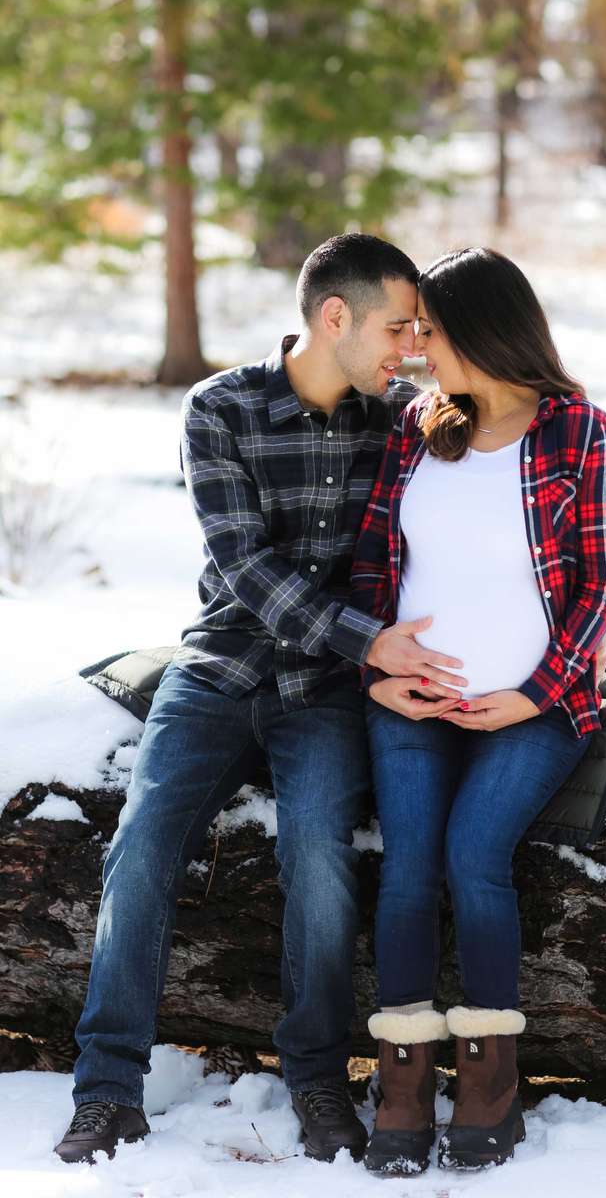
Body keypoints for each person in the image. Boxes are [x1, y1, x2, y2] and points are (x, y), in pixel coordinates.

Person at [54, 233, 468, 1166]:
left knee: (319, 856)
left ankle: (317, 1078)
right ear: (335, 318)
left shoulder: (400, 416)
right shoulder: (221, 406)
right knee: (141, 846)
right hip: (220, 670)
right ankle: (107, 1088)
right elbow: (243, 567)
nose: (410, 345)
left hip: (322, 692)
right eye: (398, 326)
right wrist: (370, 639)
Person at [351, 247, 606, 1175]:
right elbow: (371, 561)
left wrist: (534, 694)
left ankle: (488, 1078)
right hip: (412, 701)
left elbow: (605, 587)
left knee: (475, 857)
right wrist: (377, 671)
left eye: (432, 329)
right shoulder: (416, 427)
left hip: (537, 702)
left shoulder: (580, 433)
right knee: (407, 870)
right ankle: (401, 1077)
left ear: (482, 330)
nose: (421, 347)